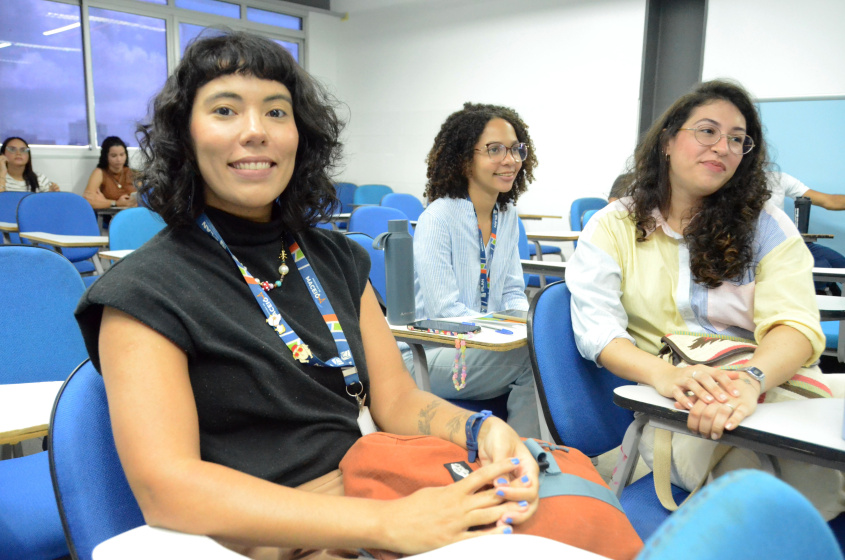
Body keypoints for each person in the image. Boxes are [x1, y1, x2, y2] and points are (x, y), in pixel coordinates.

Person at [74, 32, 539, 558]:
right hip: (282, 533)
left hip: (373, 488)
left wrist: (481, 428)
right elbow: (168, 490)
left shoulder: (337, 258)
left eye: (276, 112)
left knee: (554, 516)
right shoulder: (143, 292)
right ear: (185, 136)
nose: (256, 132)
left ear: (301, 136)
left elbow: (397, 400)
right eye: (225, 110)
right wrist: (383, 523)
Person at [567, 79, 845, 520]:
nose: (723, 147)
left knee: (813, 455)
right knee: (767, 482)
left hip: (765, 381)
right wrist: (664, 375)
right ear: (667, 142)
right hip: (677, 403)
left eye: (738, 139)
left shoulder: (766, 225)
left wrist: (752, 379)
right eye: (708, 131)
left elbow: (794, 323)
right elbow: (599, 333)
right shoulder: (612, 226)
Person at [406, 102, 542, 440]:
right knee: (535, 360)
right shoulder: (438, 218)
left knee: (547, 346)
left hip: (484, 348)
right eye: (494, 150)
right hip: (430, 353)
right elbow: (445, 313)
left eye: (515, 149)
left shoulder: (506, 215)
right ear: (464, 158)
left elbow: (513, 291)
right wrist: (508, 337)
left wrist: (528, 326)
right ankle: (526, 456)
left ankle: (541, 448)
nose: (509, 160)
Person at [767, 170, 845, 293]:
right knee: (821, 269)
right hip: (767, 248)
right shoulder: (736, 183)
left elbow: (829, 201)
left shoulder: (778, 179)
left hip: (793, 243)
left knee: (841, 265)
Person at [83, 136, 138, 209]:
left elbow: (144, 198)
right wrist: (115, 203)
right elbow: (88, 200)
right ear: (106, 156)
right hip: (108, 217)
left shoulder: (131, 172)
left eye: (122, 155)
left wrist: (104, 201)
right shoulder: (100, 173)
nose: (119, 159)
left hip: (132, 215)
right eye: (114, 156)